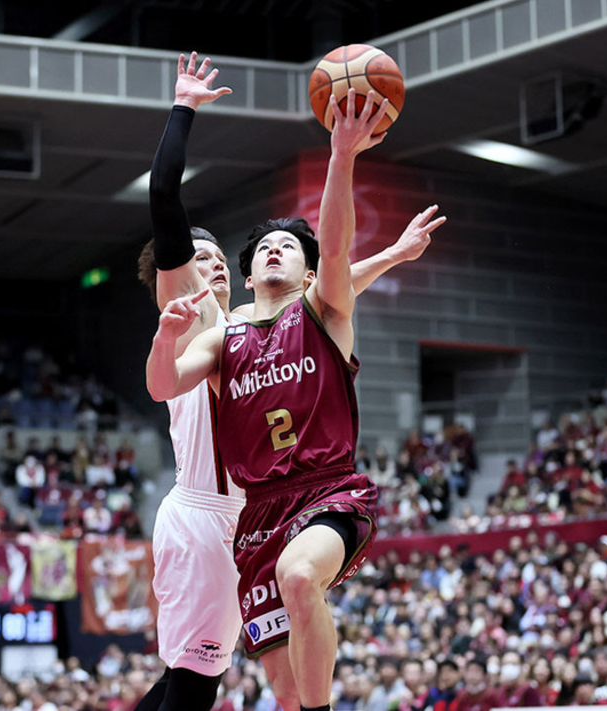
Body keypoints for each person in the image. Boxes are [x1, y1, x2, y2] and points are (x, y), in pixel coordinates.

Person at [137, 54, 443, 711]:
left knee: (227, 657)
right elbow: (167, 208)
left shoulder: (295, 313)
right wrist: (184, 106)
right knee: (197, 681)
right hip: (223, 513)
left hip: (296, 495)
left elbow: (333, 274)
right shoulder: (207, 327)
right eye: (204, 261)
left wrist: (386, 247)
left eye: (221, 257)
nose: (211, 267)